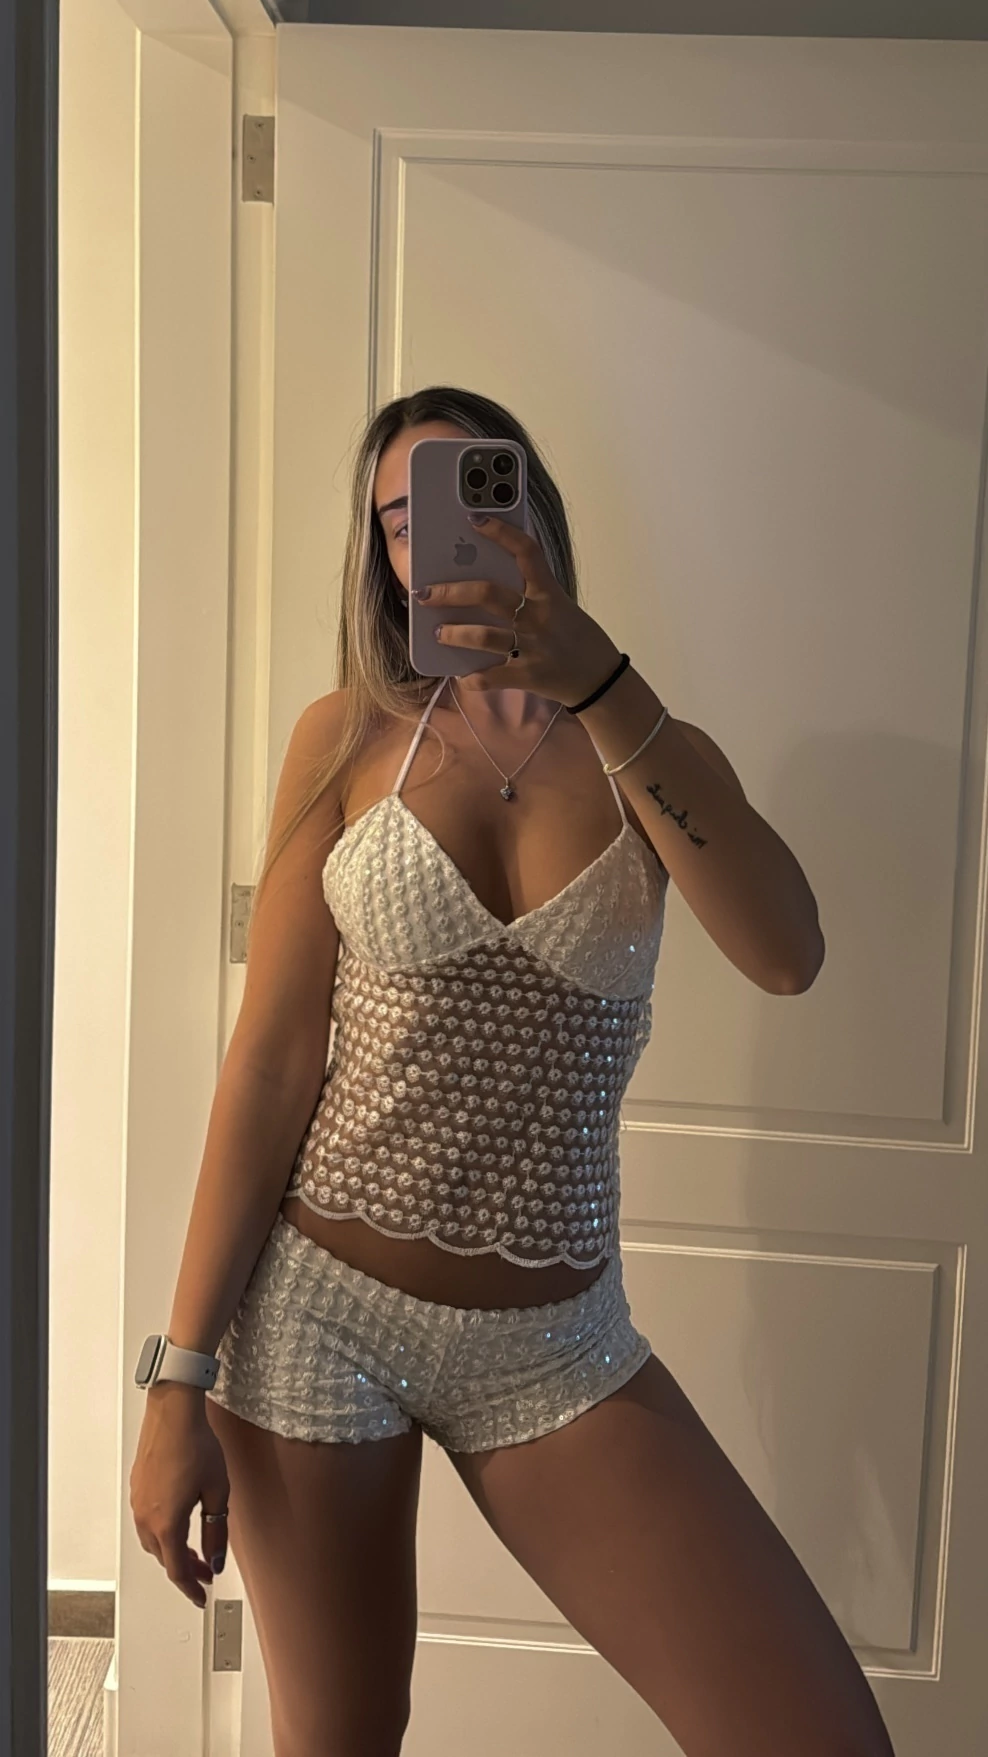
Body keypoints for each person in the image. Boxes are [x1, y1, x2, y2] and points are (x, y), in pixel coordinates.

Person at [130, 388, 895, 1757]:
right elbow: (271, 1063)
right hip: (317, 1319)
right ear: (380, 555)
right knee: (341, 1738)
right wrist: (176, 1379)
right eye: (398, 521)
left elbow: (788, 955)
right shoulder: (343, 740)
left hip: (554, 1348)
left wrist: (601, 679)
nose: (434, 543)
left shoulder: (648, 753)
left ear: (531, 509)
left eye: (474, 496)